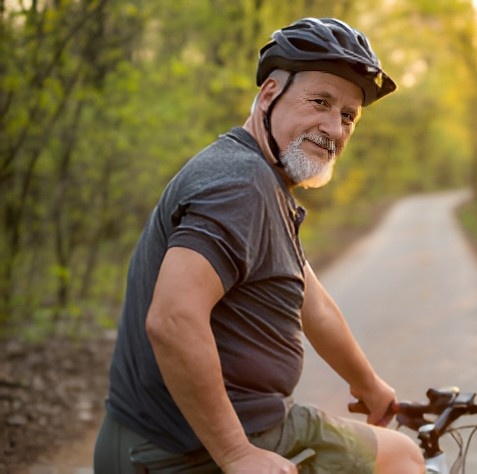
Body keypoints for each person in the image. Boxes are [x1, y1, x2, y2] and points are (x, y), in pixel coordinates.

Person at [93, 17, 424, 473]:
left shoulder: (259, 180)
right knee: (403, 456)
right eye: (320, 102)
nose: (334, 128)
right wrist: (236, 454)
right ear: (269, 94)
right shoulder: (241, 184)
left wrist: (367, 384)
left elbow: (312, 301)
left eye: (348, 116)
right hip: (188, 452)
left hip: (157, 441)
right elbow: (172, 319)